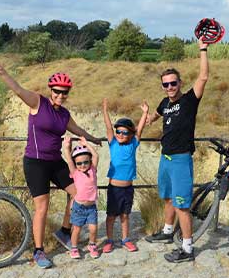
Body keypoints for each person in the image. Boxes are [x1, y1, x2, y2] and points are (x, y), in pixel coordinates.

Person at [0, 54, 100, 269]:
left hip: (56, 162)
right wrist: (1, 71)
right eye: (57, 91)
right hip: (35, 163)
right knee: (42, 208)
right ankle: (38, 251)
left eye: (65, 92)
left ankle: (64, 232)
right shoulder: (39, 102)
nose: (61, 95)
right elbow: (18, 90)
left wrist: (94, 139)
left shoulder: (64, 114)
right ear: (51, 90)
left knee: (79, 194)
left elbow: (77, 130)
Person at [144, 37, 209, 263]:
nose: (170, 87)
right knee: (168, 198)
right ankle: (167, 231)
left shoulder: (190, 100)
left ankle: (188, 249)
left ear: (180, 83)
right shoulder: (165, 103)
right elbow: (155, 116)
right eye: (166, 84)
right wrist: (147, 115)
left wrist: (202, 48)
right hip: (166, 158)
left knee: (182, 205)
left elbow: (203, 77)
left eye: (173, 83)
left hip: (181, 160)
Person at [101, 98, 147, 253]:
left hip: (128, 189)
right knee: (111, 216)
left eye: (124, 132)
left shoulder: (133, 144)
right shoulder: (113, 143)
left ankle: (125, 239)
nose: (120, 134)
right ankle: (109, 240)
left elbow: (139, 131)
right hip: (114, 189)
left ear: (130, 134)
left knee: (125, 216)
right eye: (118, 131)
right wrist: (105, 111)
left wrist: (145, 114)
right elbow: (108, 128)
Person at [63, 136, 100, 259]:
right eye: (79, 163)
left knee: (93, 229)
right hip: (79, 207)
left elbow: (96, 156)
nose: (83, 165)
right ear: (76, 164)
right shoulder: (75, 173)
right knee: (76, 229)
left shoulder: (93, 170)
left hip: (91, 207)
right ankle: (74, 248)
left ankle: (92, 245)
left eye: (86, 162)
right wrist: (67, 147)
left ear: (89, 161)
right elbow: (69, 160)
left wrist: (86, 144)